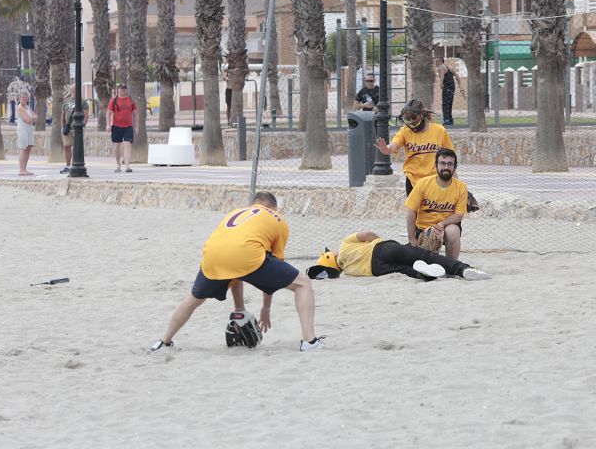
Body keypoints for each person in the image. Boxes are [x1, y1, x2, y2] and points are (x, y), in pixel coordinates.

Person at [151, 192, 323, 352]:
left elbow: (236, 272)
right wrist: (266, 308)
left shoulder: (235, 213)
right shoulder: (277, 219)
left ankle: (163, 341)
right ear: (274, 208)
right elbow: (272, 267)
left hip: (212, 255)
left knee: (193, 299)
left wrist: (239, 309)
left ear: (253, 204)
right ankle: (310, 341)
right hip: (246, 254)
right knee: (302, 283)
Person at [307, 230, 490, 281]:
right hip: (380, 249)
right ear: (331, 255)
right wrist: (382, 241)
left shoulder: (349, 271)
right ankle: (463, 269)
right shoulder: (344, 245)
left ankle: (422, 274)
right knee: (426, 256)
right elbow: (366, 234)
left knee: (405, 269)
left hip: (377, 269)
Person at [375, 98, 453, 196]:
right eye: (407, 118)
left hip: (435, 179)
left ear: (421, 115)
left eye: (413, 117)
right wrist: (387, 149)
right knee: (413, 211)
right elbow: (394, 145)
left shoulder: (439, 131)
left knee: (433, 210)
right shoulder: (405, 131)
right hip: (413, 180)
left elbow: (451, 157)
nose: (410, 121)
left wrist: (454, 183)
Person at [404, 148, 468, 260]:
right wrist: (412, 239)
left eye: (450, 164)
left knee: (452, 231)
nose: (446, 167)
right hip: (424, 230)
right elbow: (411, 211)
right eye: (442, 163)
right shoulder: (423, 184)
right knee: (424, 267)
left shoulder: (461, 187)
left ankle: (451, 265)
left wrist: (442, 224)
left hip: (447, 227)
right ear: (436, 165)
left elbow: (459, 215)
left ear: (455, 166)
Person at [59, 83, 89, 175]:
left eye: (75, 89)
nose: (73, 91)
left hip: (77, 128)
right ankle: (67, 166)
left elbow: (86, 115)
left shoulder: (83, 102)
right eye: (72, 89)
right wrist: (62, 127)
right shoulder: (66, 101)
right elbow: (63, 115)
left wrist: (83, 125)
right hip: (68, 128)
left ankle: (76, 164)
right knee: (67, 146)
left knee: (76, 147)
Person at [107, 84, 137, 173]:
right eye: (121, 89)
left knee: (128, 144)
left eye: (124, 89)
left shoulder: (131, 101)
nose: (123, 91)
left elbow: (136, 114)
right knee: (117, 146)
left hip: (128, 126)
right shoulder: (114, 101)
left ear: (127, 90)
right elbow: (108, 113)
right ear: (118, 90)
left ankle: (127, 165)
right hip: (116, 126)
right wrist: (108, 125)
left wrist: (136, 127)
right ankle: (118, 165)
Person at [16, 91, 36, 177]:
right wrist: (32, 119)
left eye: (26, 98)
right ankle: (21, 169)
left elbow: (35, 116)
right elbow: (27, 120)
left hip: (29, 129)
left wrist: (32, 119)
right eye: (23, 98)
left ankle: (25, 169)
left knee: (28, 148)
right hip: (23, 130)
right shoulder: (20, 108)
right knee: (24, 148)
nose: (24, 99)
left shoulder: (28, 107)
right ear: (20, 99)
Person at [435, 58, 456, 126]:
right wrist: (459, 84)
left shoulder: (441, 67)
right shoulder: (449, 67)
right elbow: (457, 76)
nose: (435, 63)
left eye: (436, 62)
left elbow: (442, 75)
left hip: (446, 87)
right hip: (452, 87)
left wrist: (441, 83)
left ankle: (446, 120)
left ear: (440, 61)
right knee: (449, 103)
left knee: (445, 104)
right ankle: (450, 119)